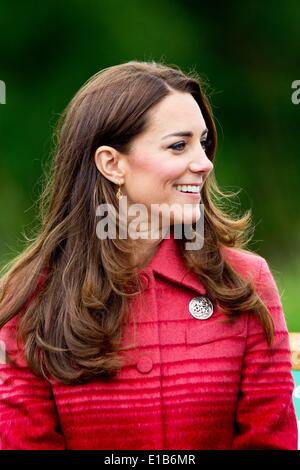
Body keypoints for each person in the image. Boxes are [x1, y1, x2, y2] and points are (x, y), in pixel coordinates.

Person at [0, 60, 298, 450]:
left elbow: (270, 440)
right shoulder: (30, 296)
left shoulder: (245, 282)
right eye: (178, 145)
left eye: (203, 142)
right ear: (111, 163)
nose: (204, 163)